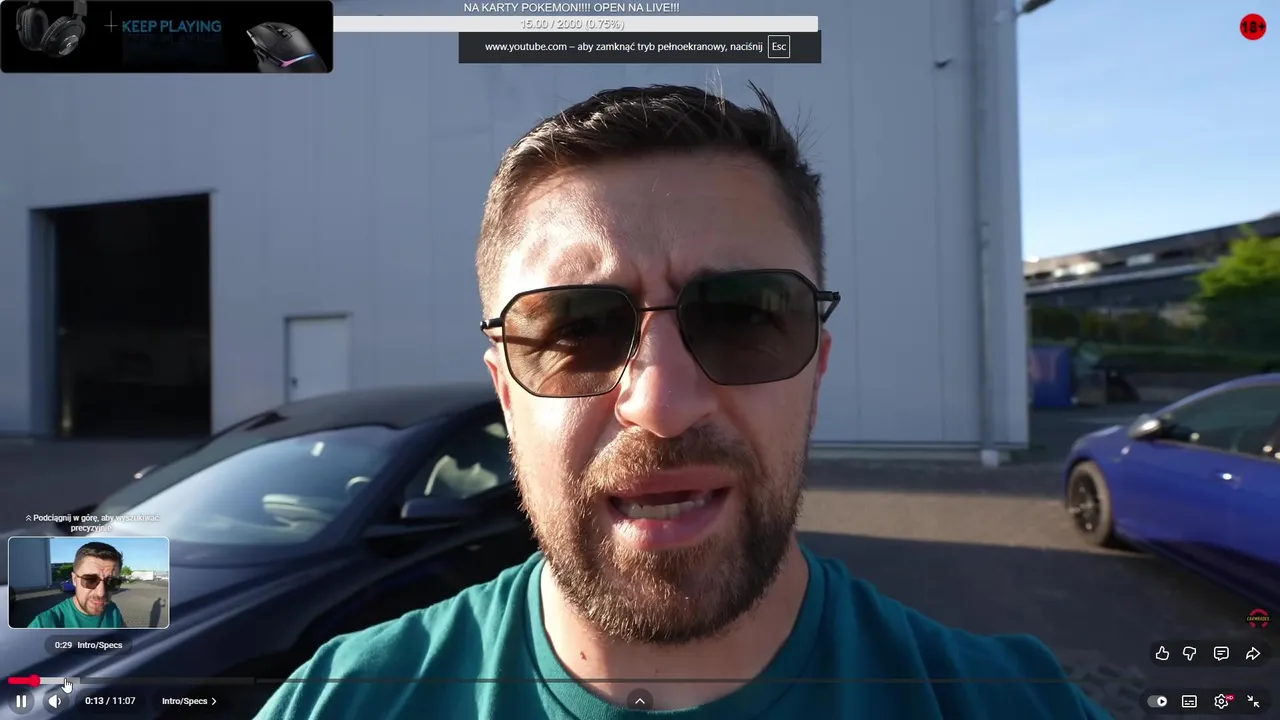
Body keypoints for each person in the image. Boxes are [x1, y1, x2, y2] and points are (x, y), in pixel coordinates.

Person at [255, 84, 1108, 719]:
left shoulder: (1012, 703)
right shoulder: (341, 700)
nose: (661, 402)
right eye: (577, 329)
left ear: (815, 371)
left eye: (743, 317)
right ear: (507, 397)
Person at [28, 541, 126, 629]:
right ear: (74, 579)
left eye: (112, 582)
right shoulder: (43, 625)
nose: (101, 593)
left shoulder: (113, 610)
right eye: (90, 580)